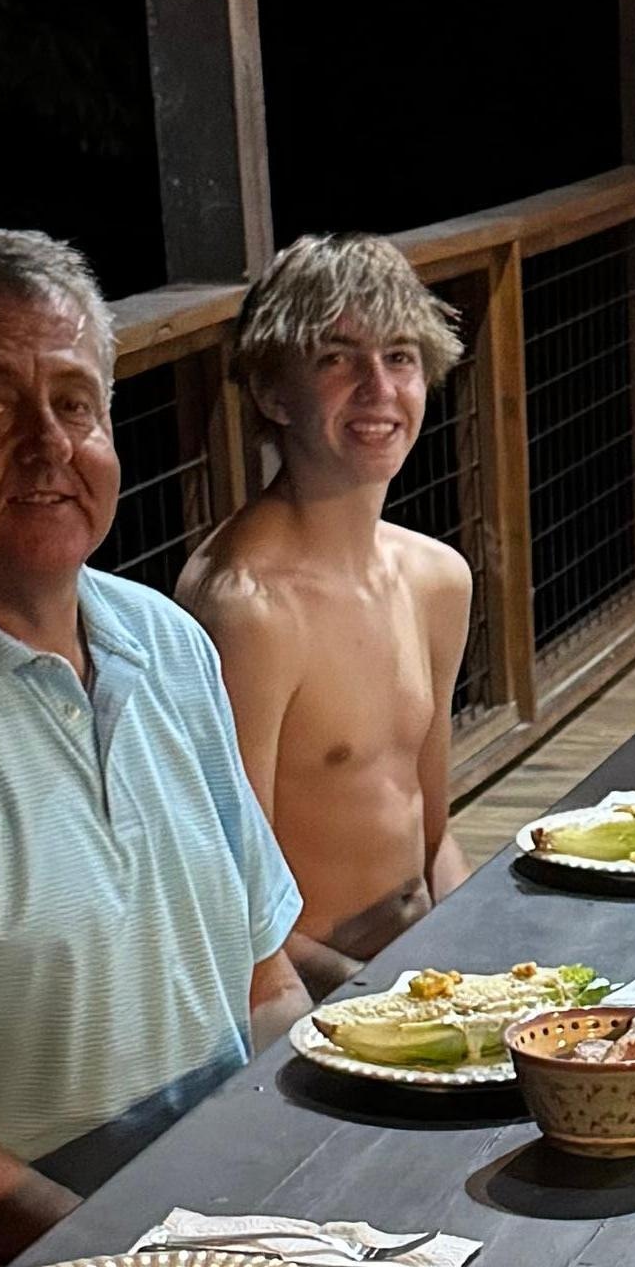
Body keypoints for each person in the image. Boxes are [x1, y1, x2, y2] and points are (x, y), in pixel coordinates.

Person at [0, 228, 309, 1243]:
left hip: (230, 1184)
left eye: (75, 403)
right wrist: (135, 1254)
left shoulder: (166, 639)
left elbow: (268, 977)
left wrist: (313, 1163)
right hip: (37, 1259)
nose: (47, 445)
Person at [177, 238, 475, 982]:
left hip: (425, 965)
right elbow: (230, 903)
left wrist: (489, 965)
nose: (379, 388)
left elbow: (434, 840)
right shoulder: (247, 609)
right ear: (275, 393)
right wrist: (386, 1001)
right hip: (310, 1000)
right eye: (338, 359)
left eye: (401, 357)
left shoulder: (438, 579)